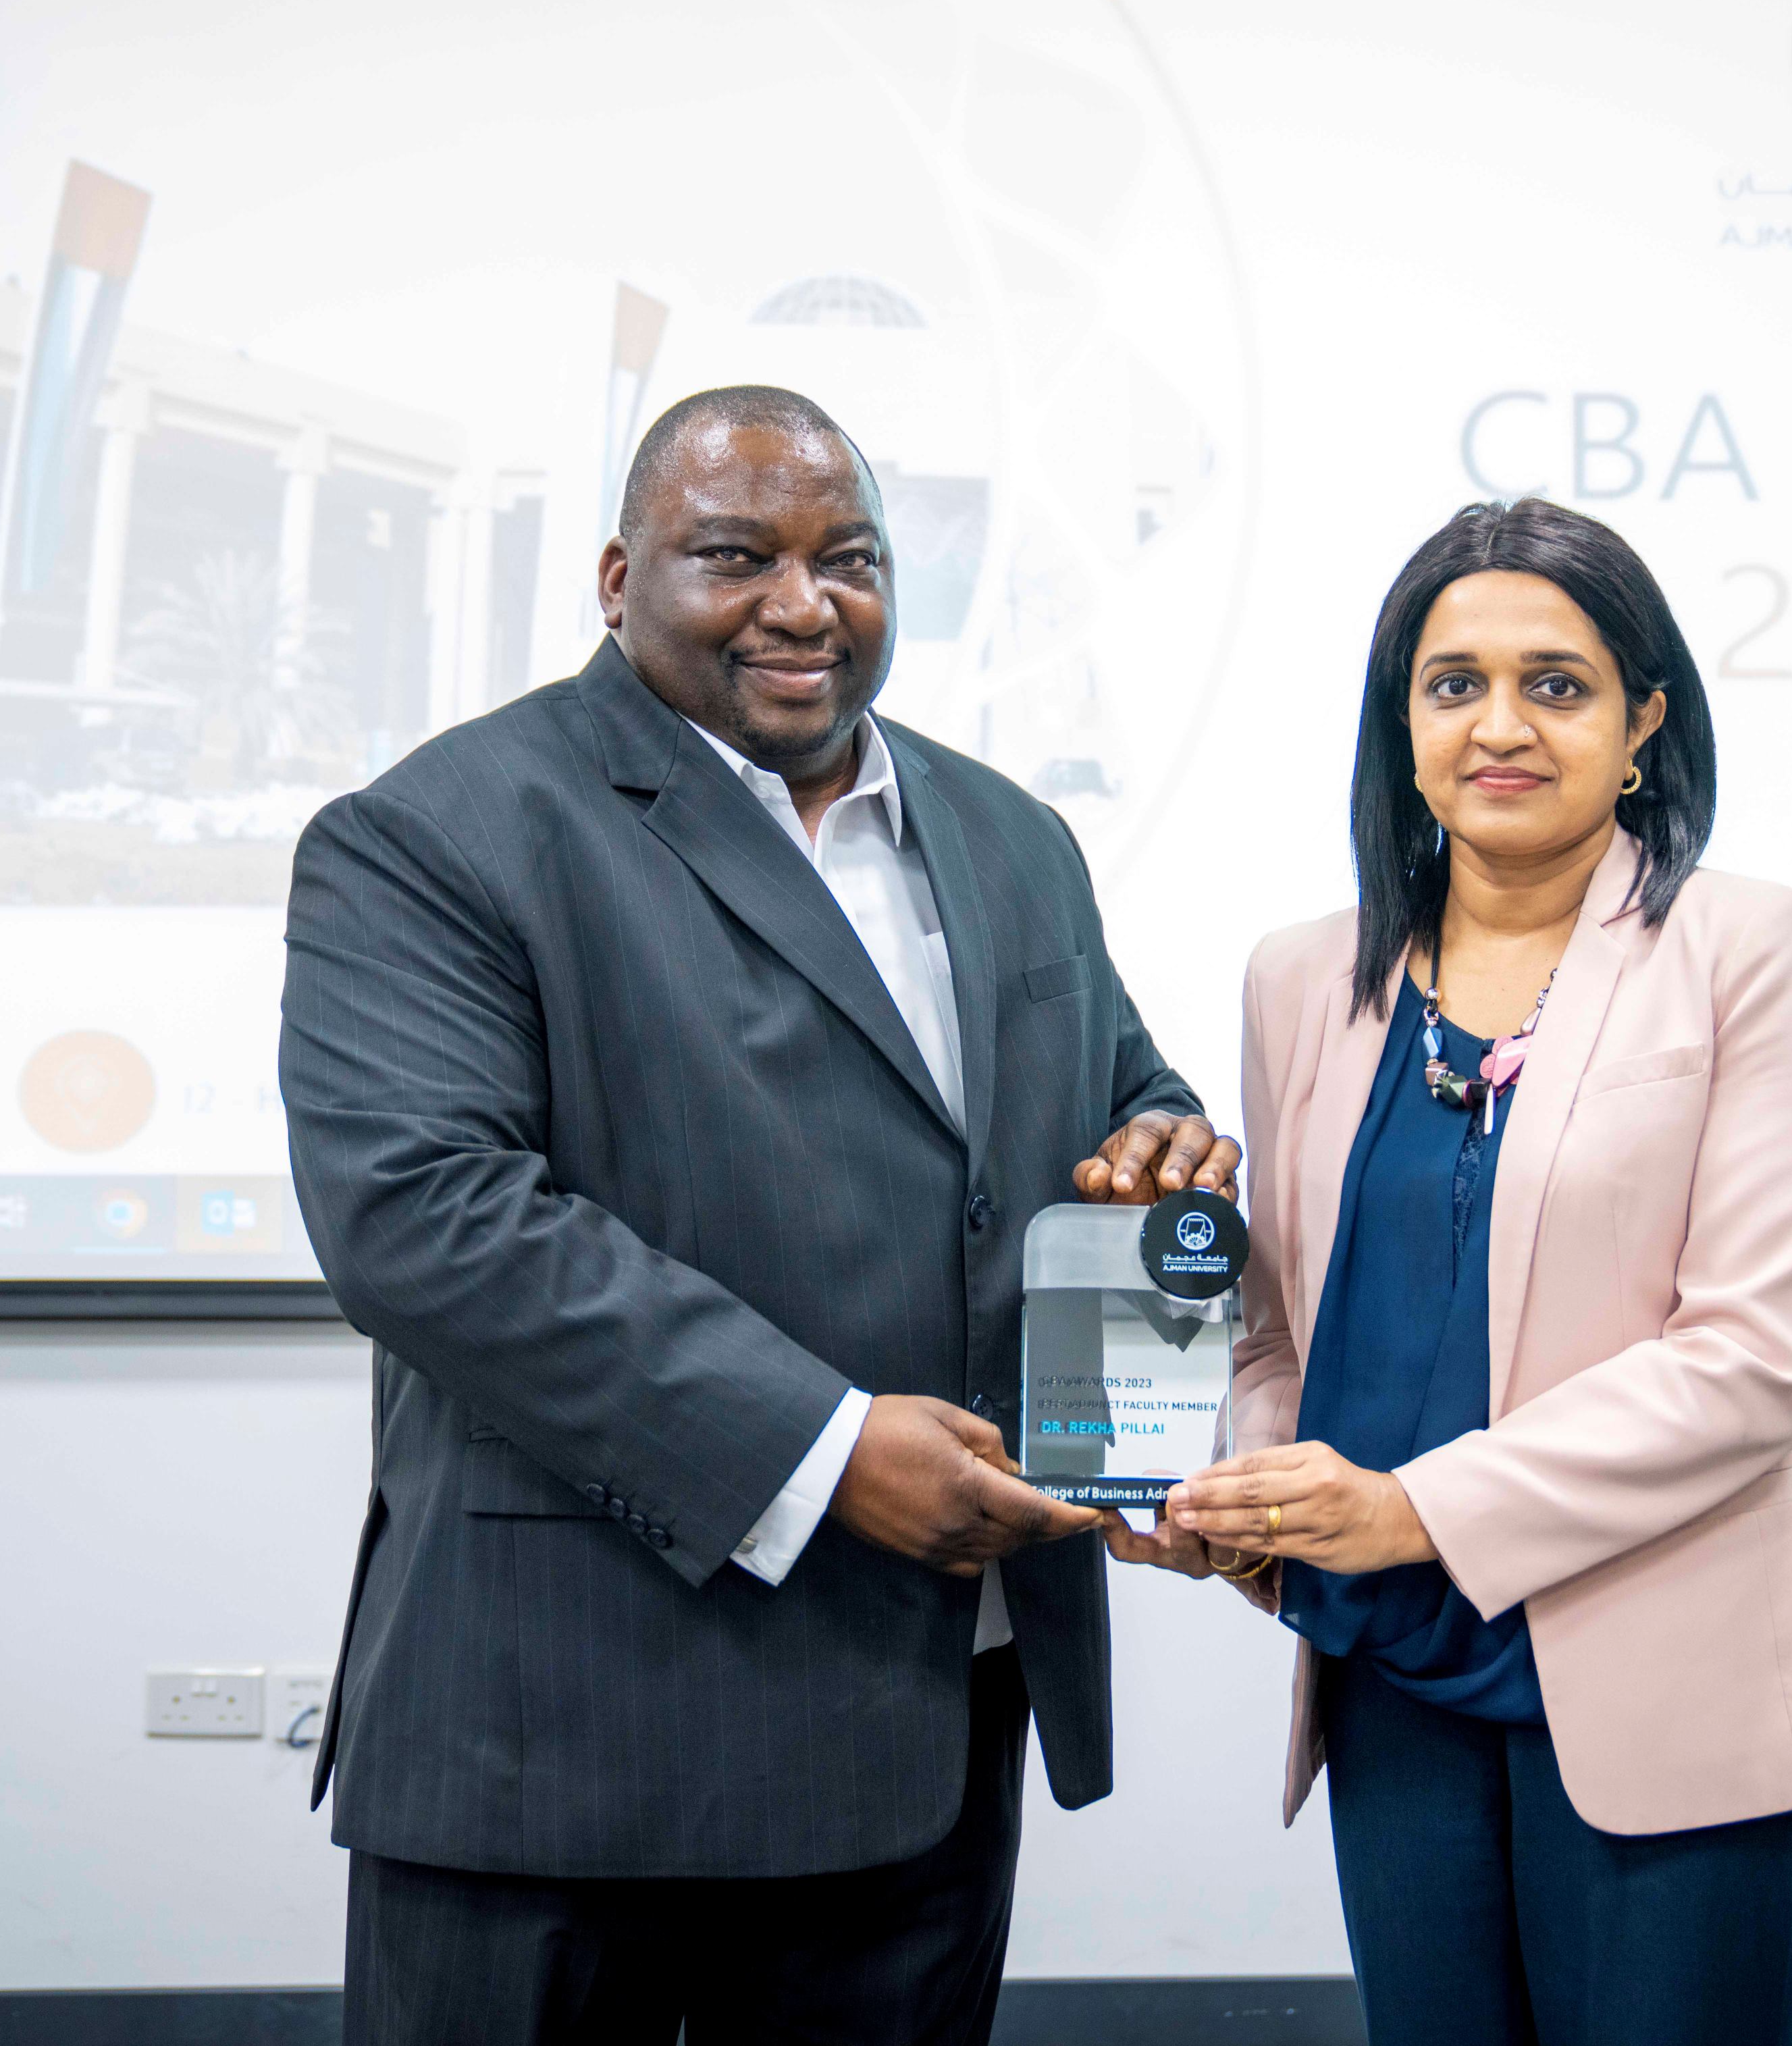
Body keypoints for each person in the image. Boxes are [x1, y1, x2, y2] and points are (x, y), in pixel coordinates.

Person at [280, 384, 1238, 2046]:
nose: (804, 604)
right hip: (570, 1734)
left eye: (848, 559)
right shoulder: (437, 833)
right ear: (616, 579)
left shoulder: (1011, 835)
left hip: (932, 1718)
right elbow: (425, 1222)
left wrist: (1159, 1142)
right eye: (736, 556)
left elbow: (1116, 1090)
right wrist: (826, 1448)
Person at [1135, 498, 1792, 2045]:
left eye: (1556, 683)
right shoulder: (1301, 975)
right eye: (1452, 683)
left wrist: (1411, 1508)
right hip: (1388, 1673)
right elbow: (1278, 1334)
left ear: (1643, 723)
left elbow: (1751, 1361)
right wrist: (1245, 1498)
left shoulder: (1741, 946)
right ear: (1400, 721)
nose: (1499, 724)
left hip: (1665, 1671)